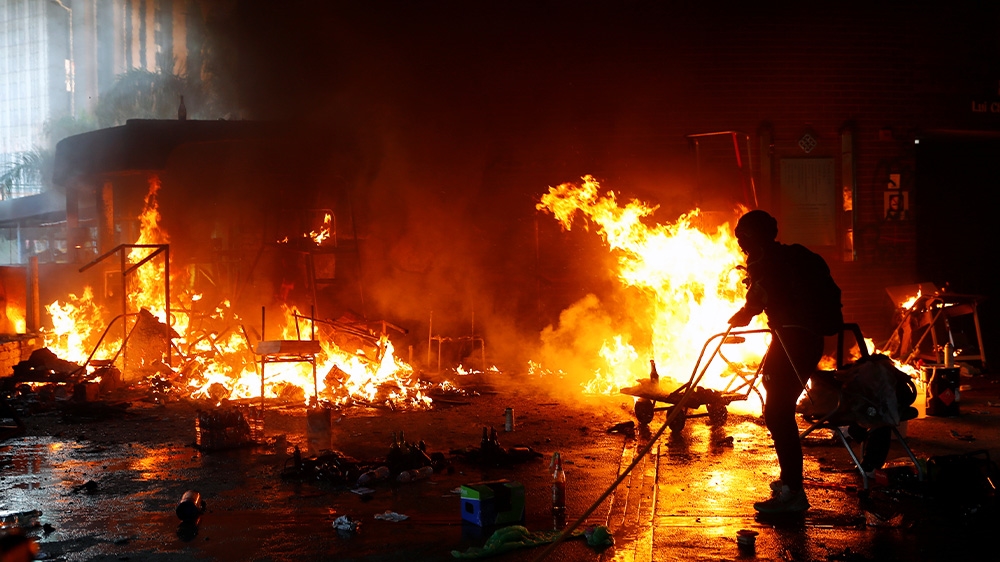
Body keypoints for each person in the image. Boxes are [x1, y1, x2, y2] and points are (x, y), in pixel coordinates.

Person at [727, 210, 843, 514]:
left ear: (754, 236)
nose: (739, 242)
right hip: (806, 339)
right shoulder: (794, 255)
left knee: (778, 412)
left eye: (742, 235)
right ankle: (789, 482)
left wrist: (742, 314)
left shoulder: (765, 261)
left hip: (793, 340)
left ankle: (793, 492)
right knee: (779, 409)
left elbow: (758, 299)